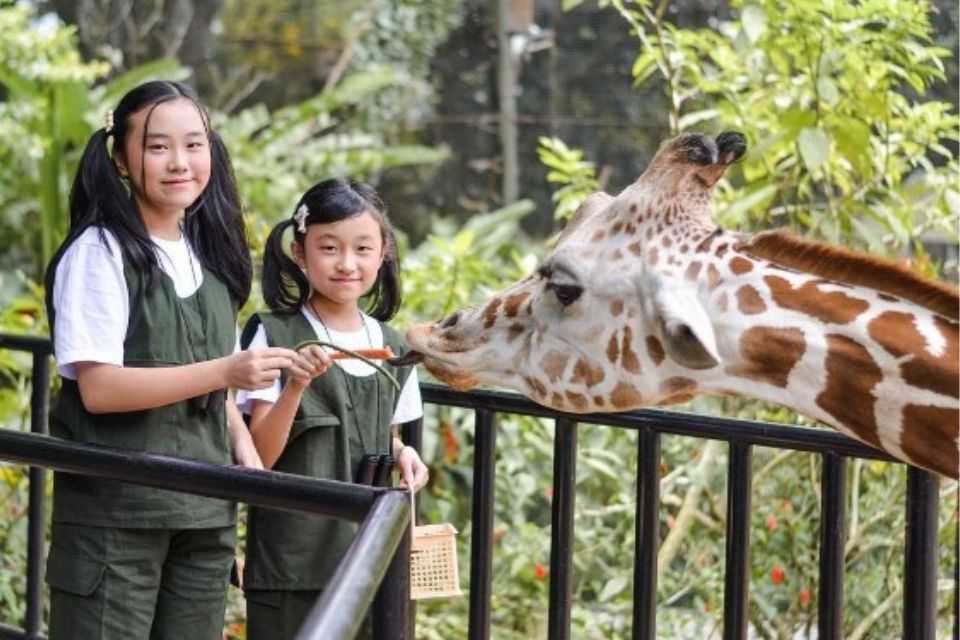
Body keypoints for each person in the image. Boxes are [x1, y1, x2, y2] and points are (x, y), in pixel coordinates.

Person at [43, 80, 300, 640]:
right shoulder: (99, 252)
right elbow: (100, 389)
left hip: (204, 516)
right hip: (118, 518)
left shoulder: (208, 255)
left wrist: (246, 453)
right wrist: (226, 372)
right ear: (121, 160)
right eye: (158, 147)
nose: (180, 162)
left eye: (194, 144)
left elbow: (219, 390)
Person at [236, 178, 429, 639]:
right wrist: (296, 386)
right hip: (293, 565)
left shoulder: (394, 347)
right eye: (329, 247)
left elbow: (388, 435)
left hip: (374, 562)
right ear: (299, 253)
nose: (347, 263)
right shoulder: (273, 333)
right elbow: (258, 457)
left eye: (363, 248)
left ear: (383, 254)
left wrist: (403, 453)